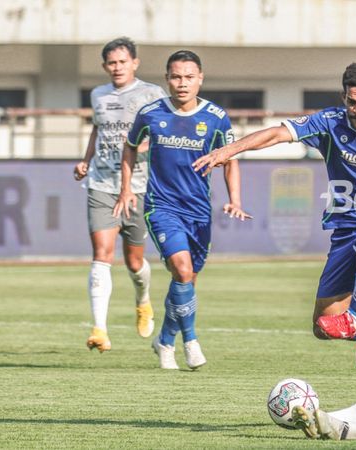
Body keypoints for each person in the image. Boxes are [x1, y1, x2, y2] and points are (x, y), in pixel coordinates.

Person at [193, 62, 356, 370]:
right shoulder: (329, 122)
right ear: (343, 98)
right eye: (352, 102)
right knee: (322, 326)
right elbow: (276, 134)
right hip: (348, 234)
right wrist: (229, 151)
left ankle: (354, 317)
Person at [114, 50, 251, 370]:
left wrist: (235, 199)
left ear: (200, 79)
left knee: (185, 280)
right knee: (183, 270)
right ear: (167, 79)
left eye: (189, 77)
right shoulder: (150, 113)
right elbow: (130, 147)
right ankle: (190, 343)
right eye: (176, 77)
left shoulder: (216, 117)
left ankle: (164, 341)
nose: (182, 83)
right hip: (162, 207)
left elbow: (230, 159)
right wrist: (126, 188)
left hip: (199, 212)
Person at [72, 37, 166, 352]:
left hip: (139, 185)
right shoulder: (98, 95)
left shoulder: (152, 94)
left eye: (122, 62)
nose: (117, 68)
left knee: (134, 261)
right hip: (102, 184)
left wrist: (141, 147)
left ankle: (143, 300)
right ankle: (99, 328)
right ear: (104, 66)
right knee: (102, 254)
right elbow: (98, 129)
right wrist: (86, 160)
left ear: (134, 63)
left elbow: (164, 133)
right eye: (111, 63)